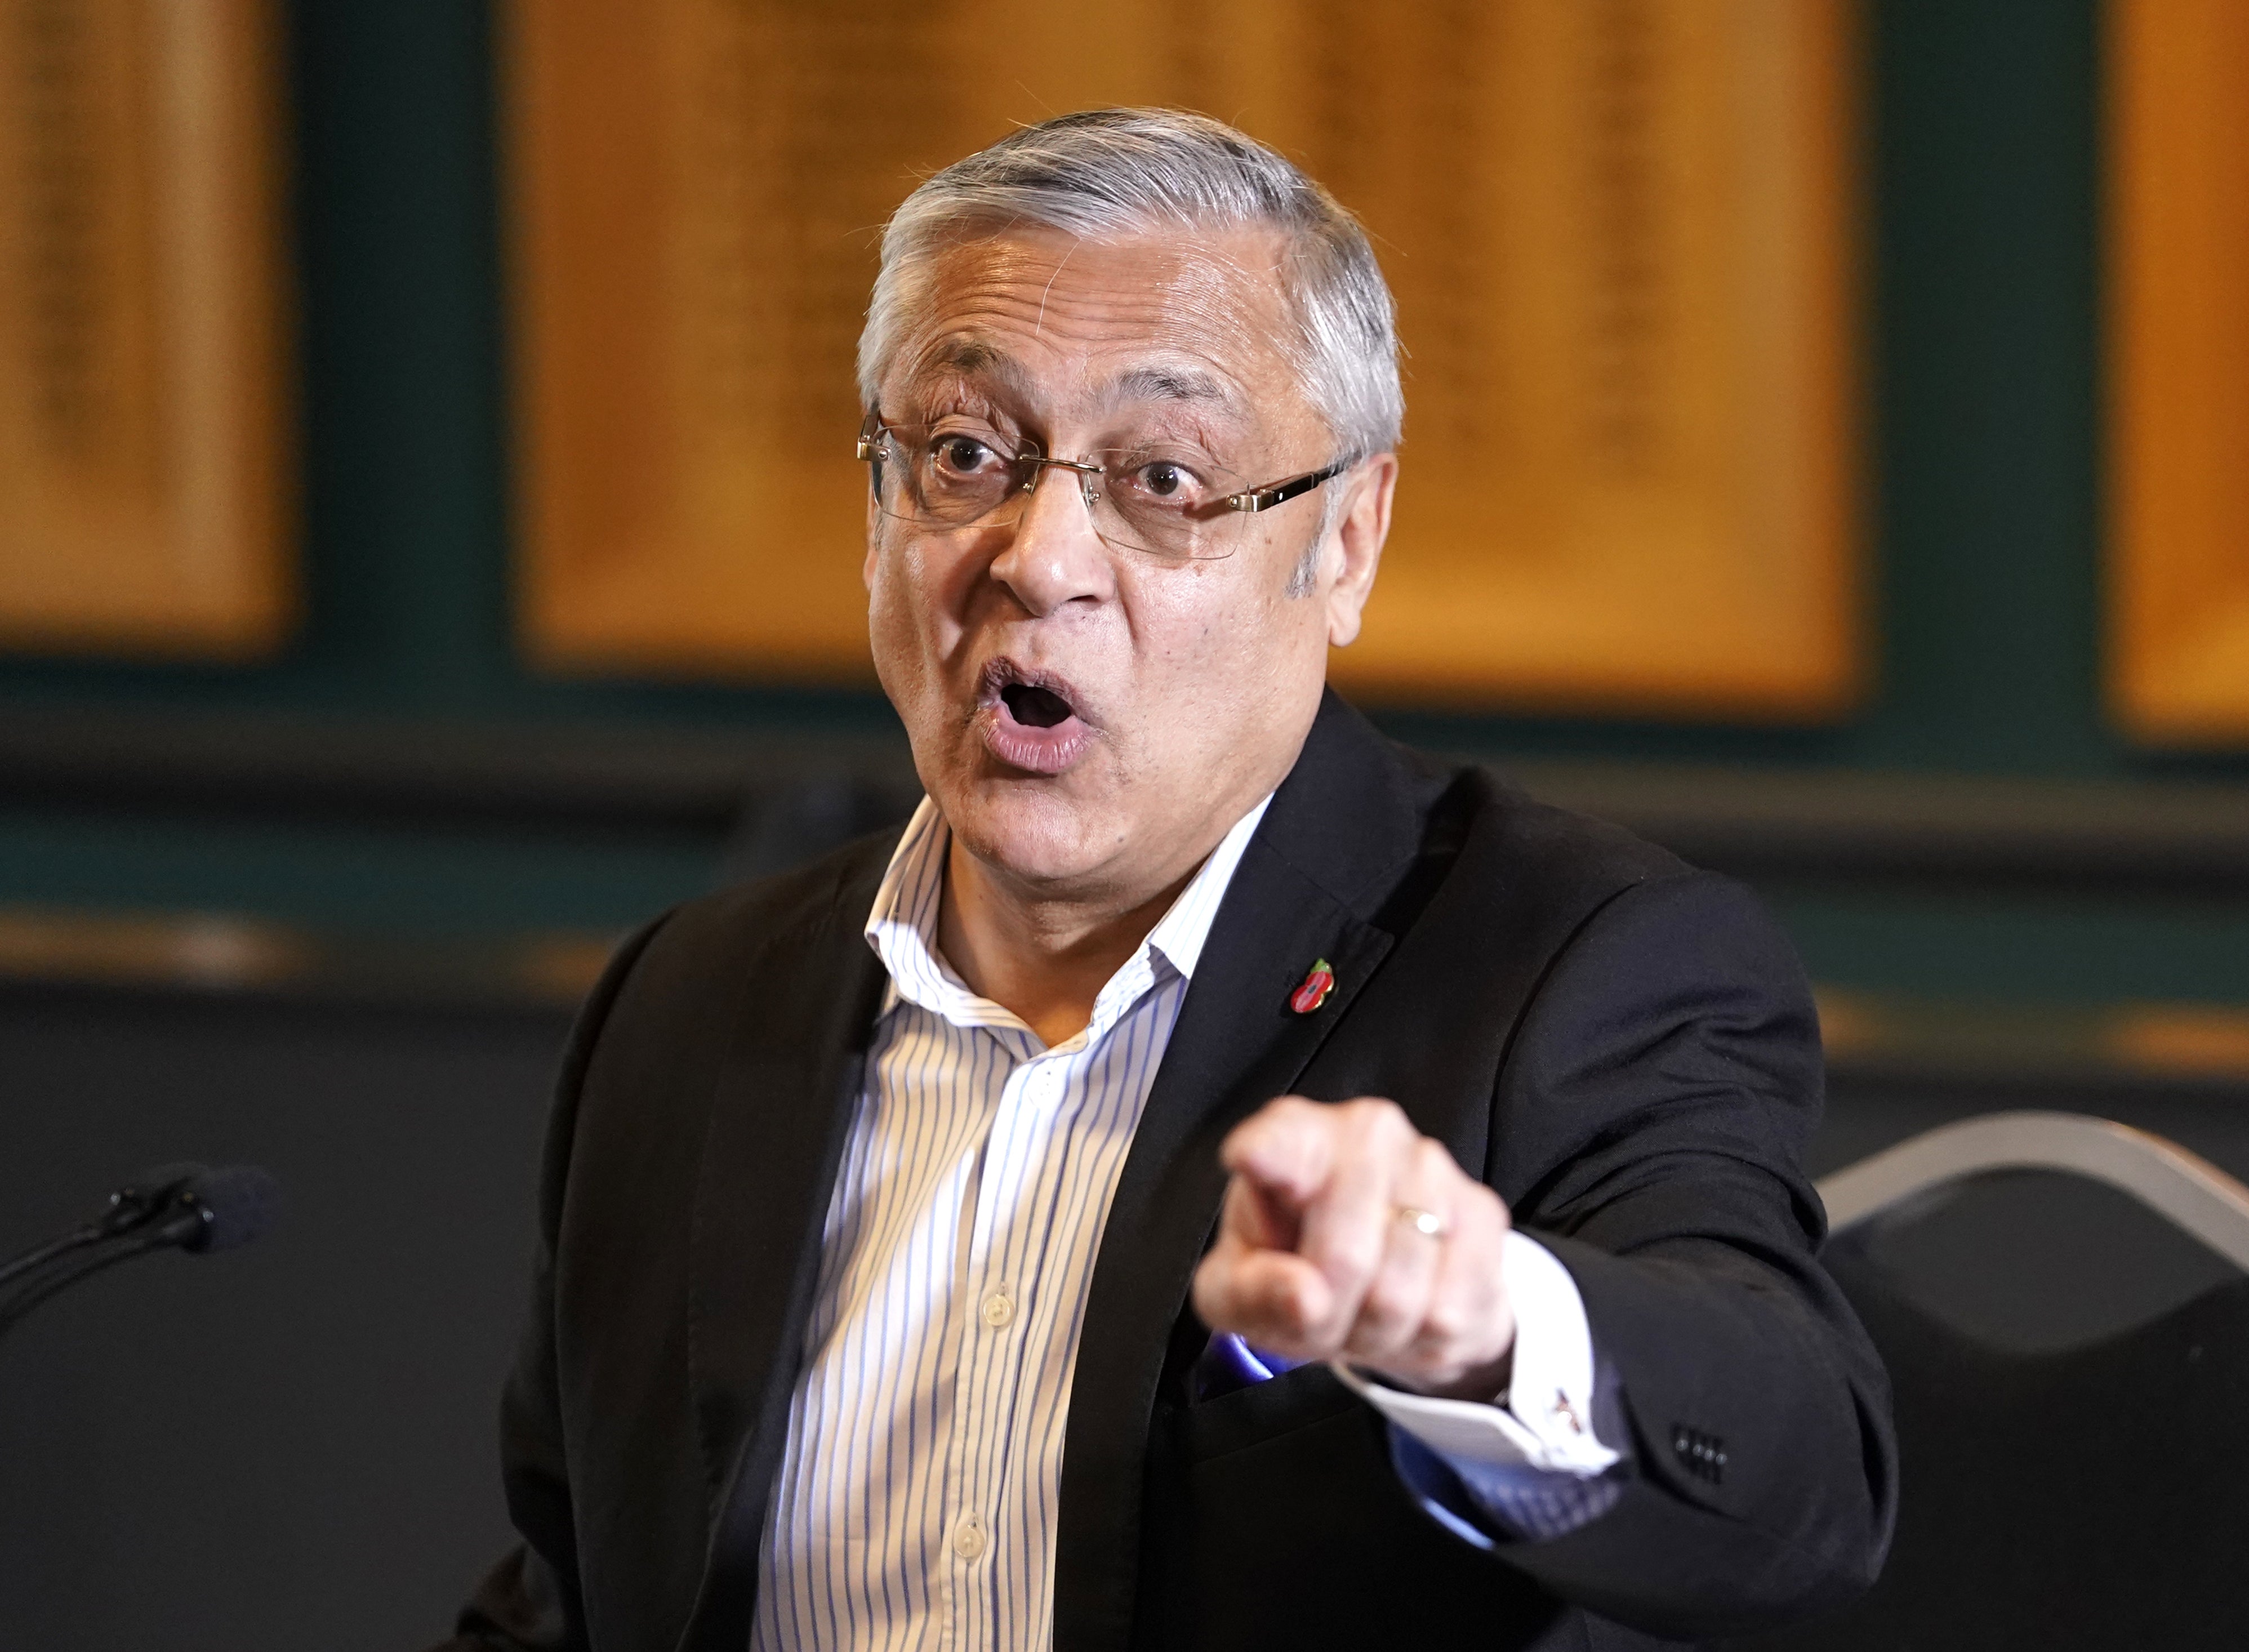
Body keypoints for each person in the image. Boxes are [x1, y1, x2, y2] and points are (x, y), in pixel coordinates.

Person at [439, 108, 1894, 1652]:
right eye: (963, 454)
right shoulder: (689, 1000)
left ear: (1343, 543)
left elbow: (1795, 1477)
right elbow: (574, 1598)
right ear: (873, 508)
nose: (1038, 556)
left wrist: (1481, 1331)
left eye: (1163, 479)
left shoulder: (1569, 969)